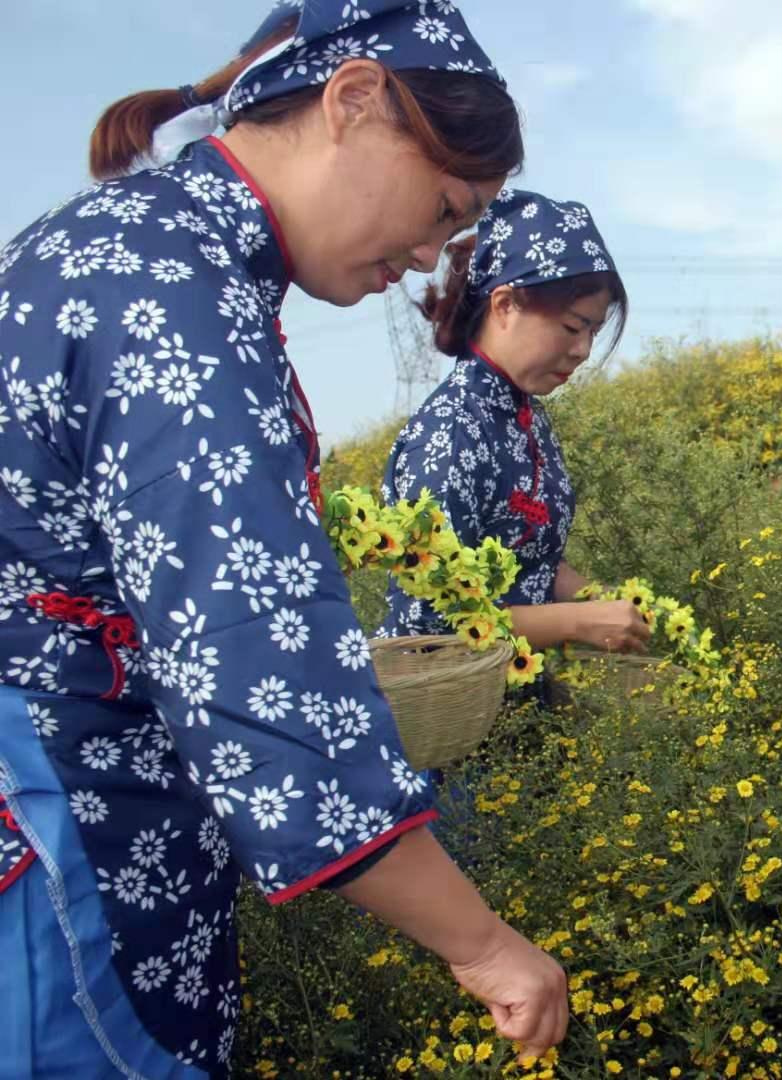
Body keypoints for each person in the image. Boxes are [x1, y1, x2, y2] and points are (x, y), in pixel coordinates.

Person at [0, 4, 568, 1075]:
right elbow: (256, 667)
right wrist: (486, 946)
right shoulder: (175, 297)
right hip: (63, 822)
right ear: (353, 102)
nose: (430, 254)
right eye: (447, 206)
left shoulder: (125, 240)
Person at [379, 188, 652, 660]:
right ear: (504, 305)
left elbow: (535, 561)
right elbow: (435, 621)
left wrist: (608, 602)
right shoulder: (449, 434)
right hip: (450, 709)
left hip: (520, 704)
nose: (583, 351)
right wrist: (579, 620)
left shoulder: (526, 417)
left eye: (593, 331)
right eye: (572, 327)